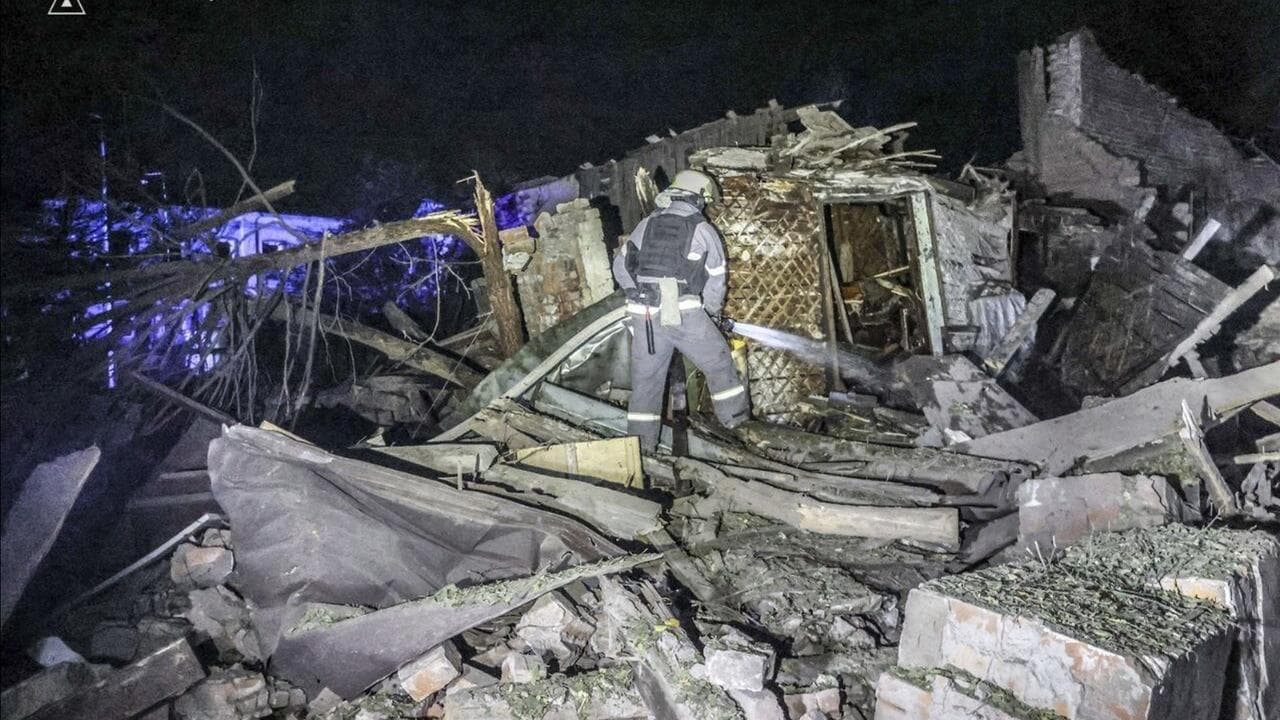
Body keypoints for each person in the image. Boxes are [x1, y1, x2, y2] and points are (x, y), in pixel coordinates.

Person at [611, 169, 749, 451]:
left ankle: (640, 450)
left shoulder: (646, 223)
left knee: (646, 384)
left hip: (644, 318)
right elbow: (716, 280)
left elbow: (620, 266)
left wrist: (634, 291)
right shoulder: (702, 228)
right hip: (684, 314)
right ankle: (737, 428)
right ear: (699, 198)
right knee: (720, 362)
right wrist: (711, 315)